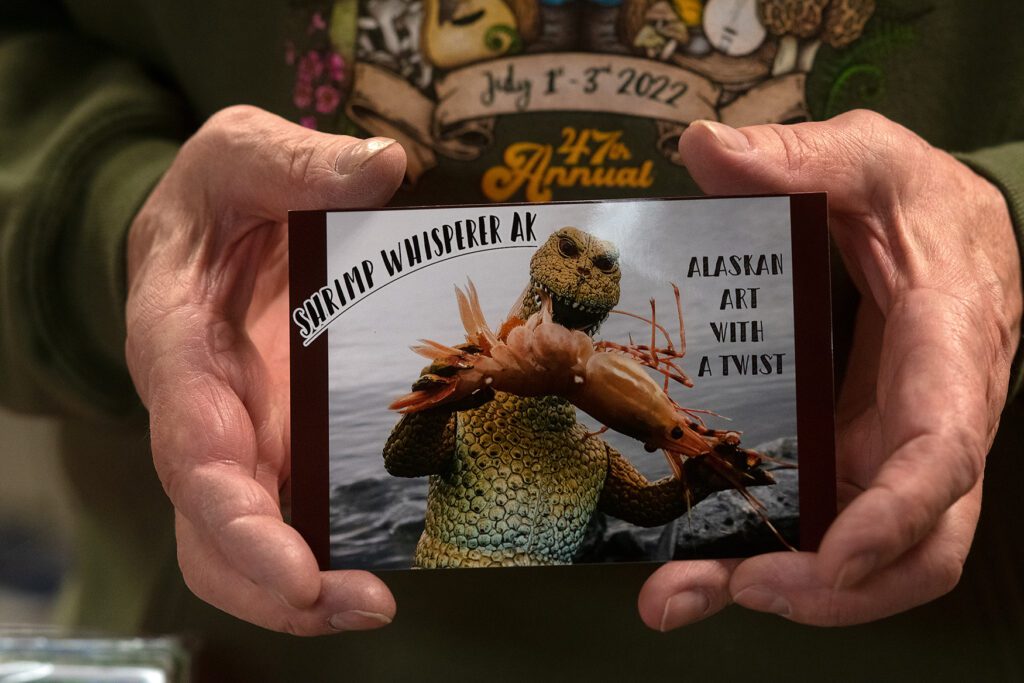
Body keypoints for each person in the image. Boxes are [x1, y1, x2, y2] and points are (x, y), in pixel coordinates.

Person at [2, 1, 1023, 679]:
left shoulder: (588, 446)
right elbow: (404, 455)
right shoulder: (486, 407)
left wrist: (1001, 225)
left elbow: (646, 497)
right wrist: (116, 231)